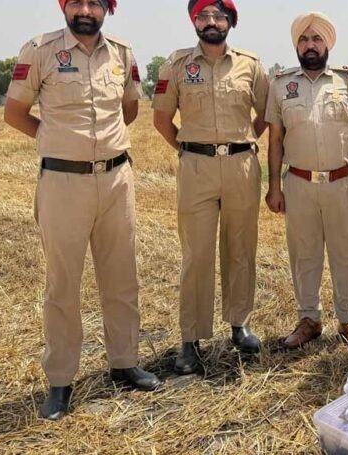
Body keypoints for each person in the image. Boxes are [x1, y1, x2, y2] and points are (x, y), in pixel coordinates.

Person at [4, 0, 160, 421]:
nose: (85, 10)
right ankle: (60, 381)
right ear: (65, 6)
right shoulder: (40, 50)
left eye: (94, 2)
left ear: (107, 9)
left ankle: (124, 363)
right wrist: (55, 140)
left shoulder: (122, 53)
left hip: (116, 180)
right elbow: (14, 113)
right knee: (63, 284)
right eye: (77, 2)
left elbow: (129, 109)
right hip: (63, 182)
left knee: (122, 277)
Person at [152, 0, 269, 374]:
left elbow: (266, 113)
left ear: (230, 21)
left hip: (241, 166)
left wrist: (243, 141)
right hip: (196, 168)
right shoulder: (176, 65)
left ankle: (239, 323)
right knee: (197, 254)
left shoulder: (251, 64)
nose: (211, 22)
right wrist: (190, 149)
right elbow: (161, 119)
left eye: (219, 16)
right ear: (194, 21)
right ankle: (191, 338)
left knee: (241, 248)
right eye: (203, 16)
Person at [265, 12, 348, 350]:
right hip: (298, 184)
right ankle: (309, 319)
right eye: (303, 40)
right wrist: (273, 186)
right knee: (304, 254)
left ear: (327, 44)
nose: (310, 45)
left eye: (316, 39)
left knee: (346, 253)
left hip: (343, 181)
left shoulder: (347, 80)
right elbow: (275, 140)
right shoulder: (281, 84)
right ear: (296, 46)